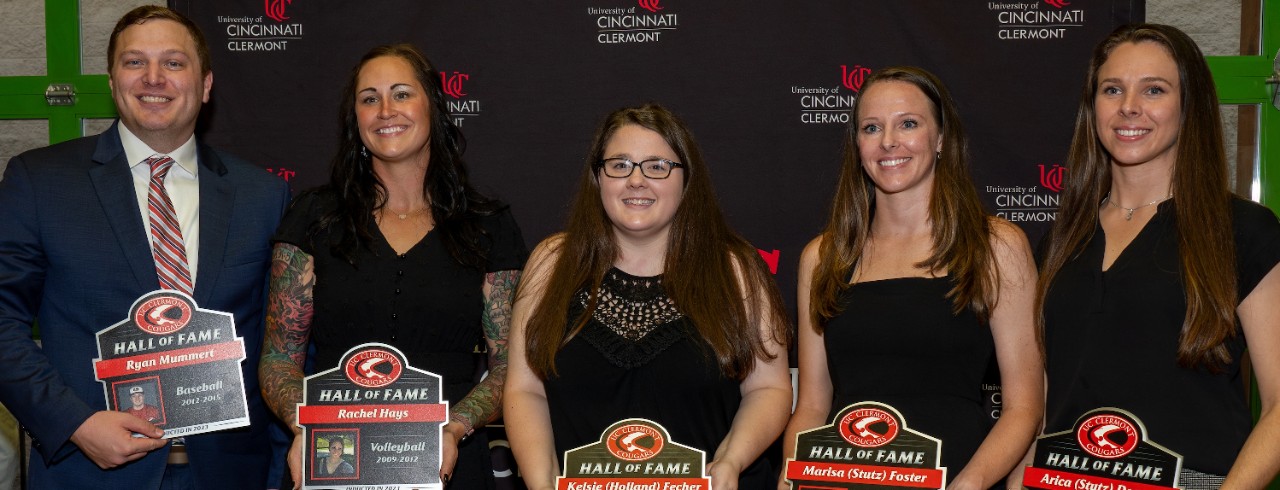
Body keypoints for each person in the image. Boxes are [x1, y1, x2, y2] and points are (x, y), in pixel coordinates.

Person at [0, 5, 289, 489]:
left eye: (174, 63)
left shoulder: (263, 195)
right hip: (89, 472)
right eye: (135, 63)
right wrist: (75, 423)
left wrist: (283, 472)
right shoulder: (40, 181)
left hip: (230, 473)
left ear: (207, 84)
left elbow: (285, 346)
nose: (154, 78)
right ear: (112, 82)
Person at [259, 43, 527, 488]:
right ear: (355, 119)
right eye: (369, 98)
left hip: (448, 462)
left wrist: (454, 428)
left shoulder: (488, 226)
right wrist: (305, 424)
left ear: (433, 107)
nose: (385, 110)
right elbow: (278, 358)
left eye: (402, 94)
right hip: (334, 460)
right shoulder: (314, 216)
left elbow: (509, 367)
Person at [1036, 23, 1280, 488]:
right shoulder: (1061, 239)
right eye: (1112, 89)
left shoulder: (1245, 231)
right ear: (1092, 108)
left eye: (1154, 89)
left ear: (1189, 106)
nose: (1129, 106)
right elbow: (1046, 396)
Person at [504, 103, 793, 490]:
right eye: (619, 165)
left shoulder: (736, 270)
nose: (636, 180)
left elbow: (768, 388)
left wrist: (730, 461)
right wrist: (541, 481)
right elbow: (526, 389)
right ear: (598, 178)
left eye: (657, 166)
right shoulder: (551, 264)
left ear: (686, 180)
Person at [780, 67, 1043, 490]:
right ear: (858, 145)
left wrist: (970, 483)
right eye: (871, 127)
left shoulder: (995, 246)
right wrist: (791, 479)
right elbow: (811, 404)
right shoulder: (824, 256)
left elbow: (1025, 405)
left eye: (908, 123)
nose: (888, 141)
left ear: (940, 139)